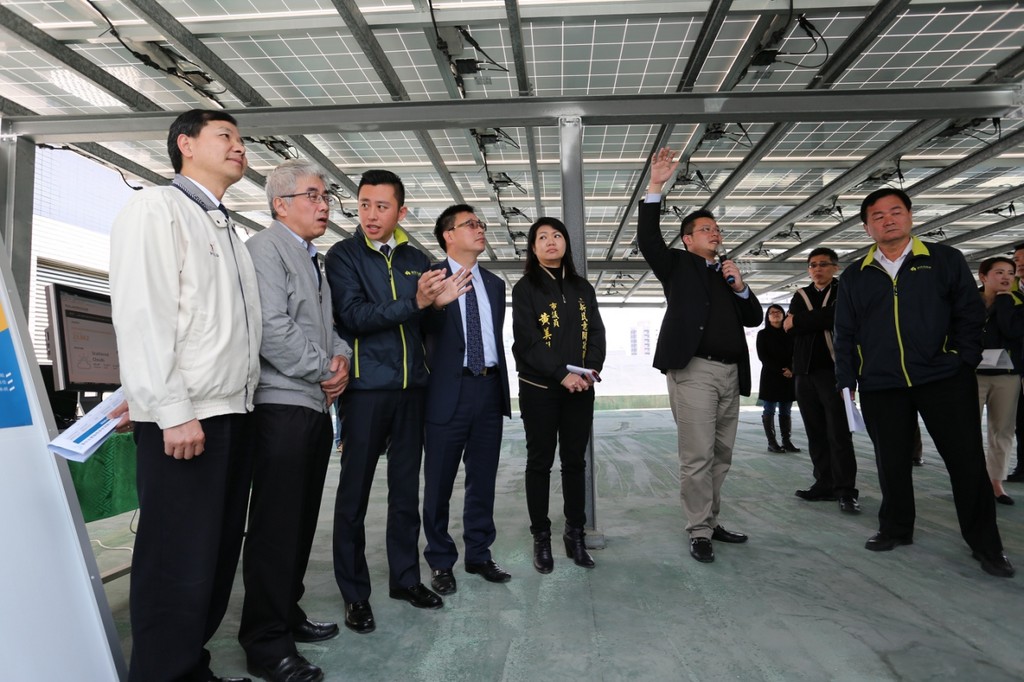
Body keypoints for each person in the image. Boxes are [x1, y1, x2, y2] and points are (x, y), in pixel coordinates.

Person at [109, 109, 261, 682]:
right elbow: (143, 315)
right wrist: (170, 411)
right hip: (188, 419)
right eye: (226, 136)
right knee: (176, 563)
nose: (239, 147)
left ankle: (190, 667)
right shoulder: (157, 208)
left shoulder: (225, 227)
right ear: (185, 145)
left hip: (231, 413)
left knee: (214, 557)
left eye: (241, 139)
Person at [834, 187, 1014, 578]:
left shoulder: (944, 260)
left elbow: (970, 314)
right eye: (878, 216)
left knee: (966, 462)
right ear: (867, 227)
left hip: (943, 378)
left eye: (896, 211)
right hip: (882, 383)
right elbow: (845, 331)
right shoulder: (854, 275)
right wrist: (847, 379)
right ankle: (896, 528)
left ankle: (987, 545)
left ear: (910, 217)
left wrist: (962, 359)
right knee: (891, 462)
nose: (888, 220)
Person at [324, 170, 470, 634]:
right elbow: (353, 316)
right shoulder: (343, 255)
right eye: (364, 204)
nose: (371, 214)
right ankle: (355, 594)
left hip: (412, 392)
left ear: (401, 211)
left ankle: (405, 580)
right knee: (354, 496)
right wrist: (418, 303)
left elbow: (428, 328)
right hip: (366, 391)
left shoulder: (417, 259)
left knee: (406, 493)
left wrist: (440, 306)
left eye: (382, 206)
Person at [239, 160, 353, 682]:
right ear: (280, 205)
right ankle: (266, 643)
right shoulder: (265, 249)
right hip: (280, 406)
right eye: (313, 196)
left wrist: (341, 358)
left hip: (312, 405)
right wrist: (323, 368)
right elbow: (271, 326)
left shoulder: (313, 258)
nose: (324, 205)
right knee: (275, 528)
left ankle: (286, 613)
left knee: (301, 522)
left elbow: (329, 328)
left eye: (326, 196)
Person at [637, 147, 763, 564]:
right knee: (697, 456)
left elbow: (754, 317)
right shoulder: (676, 265)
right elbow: (648, 239)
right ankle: (698, 530)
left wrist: (740, 286)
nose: (715, 233)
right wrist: (656, 184)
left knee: (721, 455)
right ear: (688, 239)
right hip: (694, 371)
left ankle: (710, 520)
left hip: (731, 374)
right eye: (706, 229)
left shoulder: (726, 274)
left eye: (717, 228)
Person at [422, 204, 512, 595]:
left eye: (480, 224)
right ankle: (440, 561)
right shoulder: (431, 279)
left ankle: (479, 554)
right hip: (447, 392)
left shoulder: (494, 284)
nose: (480, 229)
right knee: (438, 483)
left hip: (488, 389)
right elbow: (419, 327)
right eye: (470, 224)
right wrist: (436, 303)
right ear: (448, 235)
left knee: (483, 479)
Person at [512, 217, 606, 573]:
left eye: (556, 235)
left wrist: (590, 370)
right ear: (533, 247)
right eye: (542, 237)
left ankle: (574, 534)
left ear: (566, 242)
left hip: (580, 390)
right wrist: (561, 374)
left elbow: (596, 332)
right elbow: (527, 341)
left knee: (575, 463)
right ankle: (541, 537)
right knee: (539, 463)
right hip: (540, 390)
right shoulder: (525, 288)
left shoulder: (582, 288)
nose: (550, 241)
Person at [784, 247, 860, 514]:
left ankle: (846, 490)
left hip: (834, 372)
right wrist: (819, 319)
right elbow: (789, 327)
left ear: (835, 267)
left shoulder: (843, 291)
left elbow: (840, 318)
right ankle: (824, 483)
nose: (817, 269)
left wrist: (802, 320)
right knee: (815, 432)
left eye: (823, 264)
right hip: (804, 373)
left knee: (839, 433)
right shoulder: (801, 295)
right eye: (813, 265)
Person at [976, 256, 1024, 506]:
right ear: (983, 276)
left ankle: (996, 482)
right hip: (971, 374)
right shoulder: (967, 301)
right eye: (999, 272)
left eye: (1010, 272)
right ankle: (972, 480)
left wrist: (1005, 300)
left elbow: (1012, 331)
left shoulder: (1018, 302)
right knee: (966, 430)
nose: (1006, 277)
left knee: (1002, 430)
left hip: (1007, 376)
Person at [756, 304, 797, 454]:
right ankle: (772, 443)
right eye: (771, 312)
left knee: (786, 410)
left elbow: (796, 353)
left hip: (788, 376)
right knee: (769, 409)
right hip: (771, 377)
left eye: (778, 311)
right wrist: (782, 370)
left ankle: (787, 441)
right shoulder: (763, 334)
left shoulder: (791, 333)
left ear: (783, 314)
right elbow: (763, 356)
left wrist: (792, 369)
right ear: (767, 317)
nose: (775, 314)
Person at [1009, 242, 1024, 483]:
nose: (1019, 264)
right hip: (1016, 366)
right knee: (1021, 420)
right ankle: (1023, 467)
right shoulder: (1008, 291)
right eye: (1017, 260)